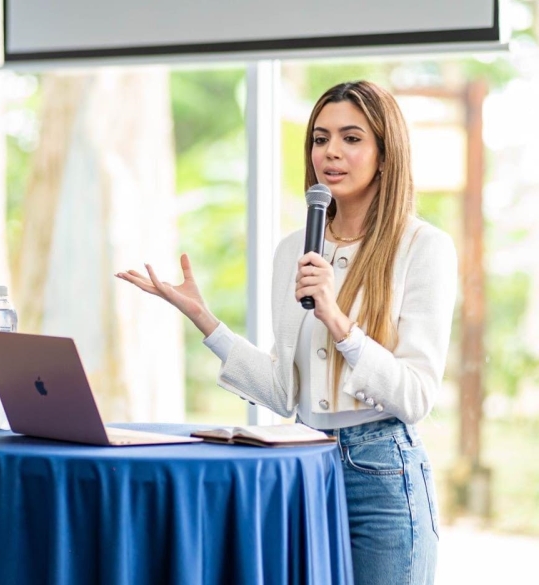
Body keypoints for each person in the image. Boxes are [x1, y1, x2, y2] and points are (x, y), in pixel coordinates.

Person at [115, 80, 457, 585]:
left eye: (351, 138)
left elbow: (417, 397)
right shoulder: (293, 249)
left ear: (386, 154)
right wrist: (206, 322)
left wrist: (340, 322)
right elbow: (282, 391)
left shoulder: (423, 247)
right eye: (320, 139)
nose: (330, 152)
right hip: (303, 465)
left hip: (380, 473)